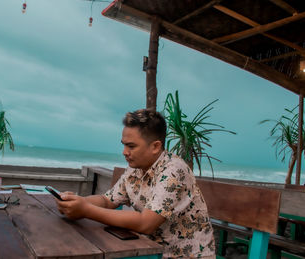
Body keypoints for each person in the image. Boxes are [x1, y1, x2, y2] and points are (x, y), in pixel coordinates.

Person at [56, 109, 216, 258]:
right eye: (124, 145)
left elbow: (145, 223)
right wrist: (77, 202)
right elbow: (108, 200)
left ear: (155, 146)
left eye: (131, 146)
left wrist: (85, 210)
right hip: (149, 248)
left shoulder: (174, 170)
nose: (124, 152)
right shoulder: (136, 169)